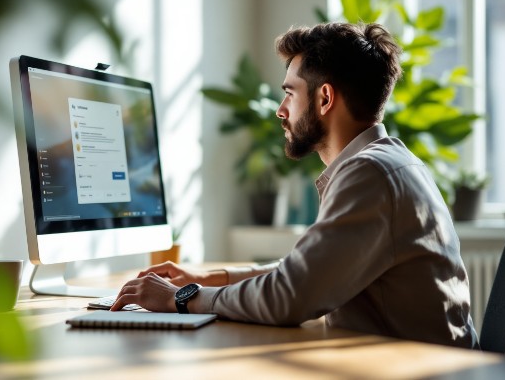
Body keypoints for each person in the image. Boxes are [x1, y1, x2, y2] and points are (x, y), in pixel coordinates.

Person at [111, 22, 478, 349]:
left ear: (324, 98)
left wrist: (183, 297)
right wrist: (211, 277)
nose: (280, 110)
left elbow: (289, 296)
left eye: (290, 93)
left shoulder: (370, 174)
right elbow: (307, 272)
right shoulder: (389, 163)